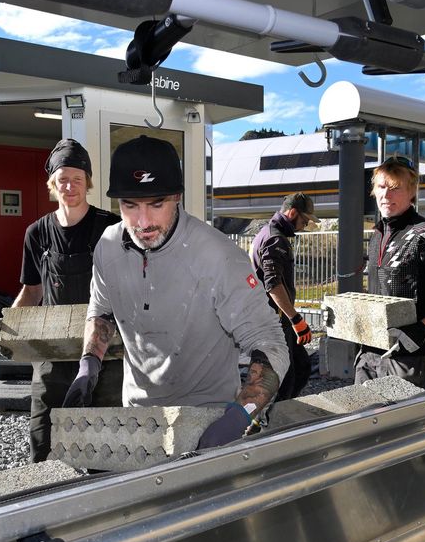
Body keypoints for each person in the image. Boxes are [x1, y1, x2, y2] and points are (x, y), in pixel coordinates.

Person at [63, 135, 289, 450]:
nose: (143, 222)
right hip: (138, 417)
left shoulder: (218, 258)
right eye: (130, 205)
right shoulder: (108, 246)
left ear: (177, 197)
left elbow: (270, 343)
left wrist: (239, 417)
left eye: (157, 204)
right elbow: (101, 311)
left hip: (206, 417)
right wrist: (88, 366)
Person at [10, 138, 123, 462]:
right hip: (53, 354)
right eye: (63, 179)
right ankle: (46, 490)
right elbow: (32, 291)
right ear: (52, 183)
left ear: (88, 182)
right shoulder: (37, 233)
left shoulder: (111, 228)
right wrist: (9, 326)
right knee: (44, 436)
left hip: (106, 353)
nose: (70, 186)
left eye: (77, 179)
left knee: (107, 439)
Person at [355, 156, 425, 389]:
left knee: (399, 413)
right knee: (362, 411)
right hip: (370, 351)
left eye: (395, 188)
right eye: (381, 187)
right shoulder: (378, 235)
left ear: (412, 192)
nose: (386, 195)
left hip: (408, 354)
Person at [251, 192, 317, 403]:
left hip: (276, 319)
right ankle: (271, 418)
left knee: (302, 367)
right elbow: (273, 284)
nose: (304, 226)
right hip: (275, 321)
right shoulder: (275, 239)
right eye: (304, 221)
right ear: (293, 213)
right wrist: (296, 319)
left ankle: (279, 413)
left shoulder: (268, 233)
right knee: (283, 381)